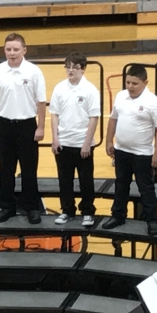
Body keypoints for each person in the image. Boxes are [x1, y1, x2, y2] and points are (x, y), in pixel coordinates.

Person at [0, 33, 47, 224]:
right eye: (8, 49)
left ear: (24, 50)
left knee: (29, 170)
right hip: (4, 125)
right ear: (4, 50)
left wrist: (41, 127)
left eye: (15, 49)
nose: (12, 53)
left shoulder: (34, 71)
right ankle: (7, 206)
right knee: (6, 169)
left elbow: (41, 101)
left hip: (27, 125)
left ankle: (31, 207)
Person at [102, 64, 157, 236]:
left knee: (145, 188)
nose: (130, 86)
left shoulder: (153, 103)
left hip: (142, 154)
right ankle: (118, 216)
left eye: (134, 83)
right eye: (128, 82)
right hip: (121, 151)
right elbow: (113, 119)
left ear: (145, 83)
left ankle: (152, 220)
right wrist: (109, 140)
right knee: (121, 185)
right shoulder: (121, 96)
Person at [49, 52, 100, 227]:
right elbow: (54, 114)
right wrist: (55, 139)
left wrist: (87, 143)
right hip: (64, 143)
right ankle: (67, 210)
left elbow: (94, 117)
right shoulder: (59, 88)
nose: (70, 70)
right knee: (64, 180)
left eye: (75, 67)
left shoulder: (90, 90)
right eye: (68, 66)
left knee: (86, 180)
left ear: (83, 69)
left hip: (82, 144)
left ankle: (87, 211)